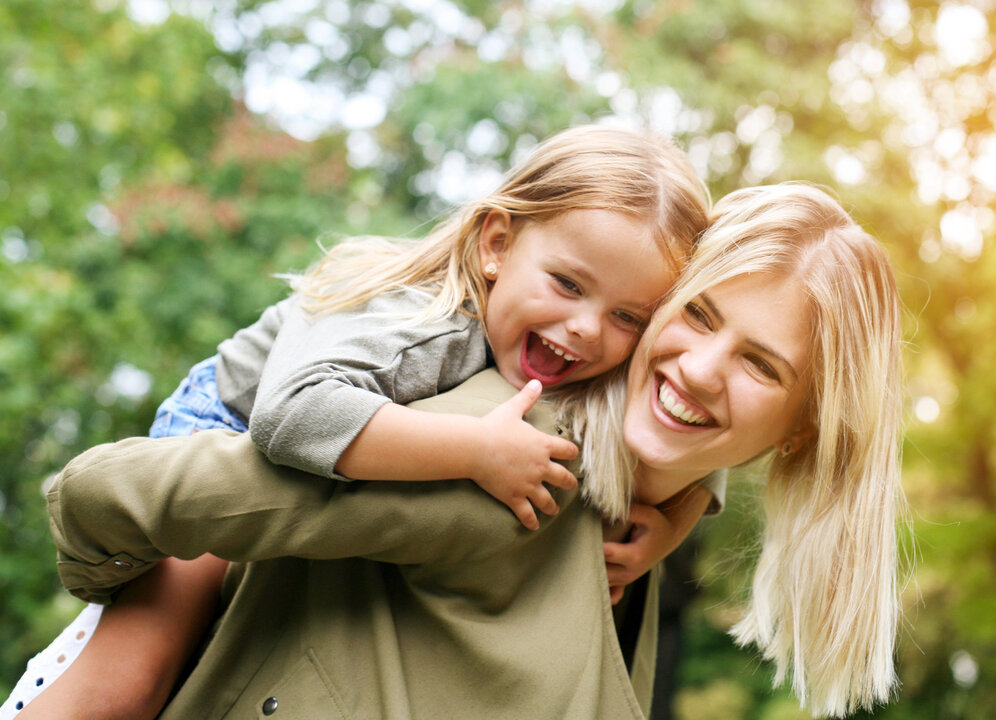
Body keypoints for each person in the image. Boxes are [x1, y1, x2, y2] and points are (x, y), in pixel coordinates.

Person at [38, 182, 905, 718]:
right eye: (701, 316)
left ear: (801, 430)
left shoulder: (636, 522)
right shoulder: (507, 454)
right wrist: (116, 581)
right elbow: (115, 491)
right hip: (243, 411)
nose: (702, 369)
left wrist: (681, 512)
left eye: (760, 364)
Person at [1, 123, 714, 719]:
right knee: (134, 677)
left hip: (329, 447)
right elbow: (292, 415)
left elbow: (699, 428)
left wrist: (677, 519)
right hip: (231, 422)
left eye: (629, 317)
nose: (587, 329)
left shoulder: (577, 353)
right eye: (567, 284)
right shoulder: (418, 325)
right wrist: (473, 450)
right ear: (496, 244)